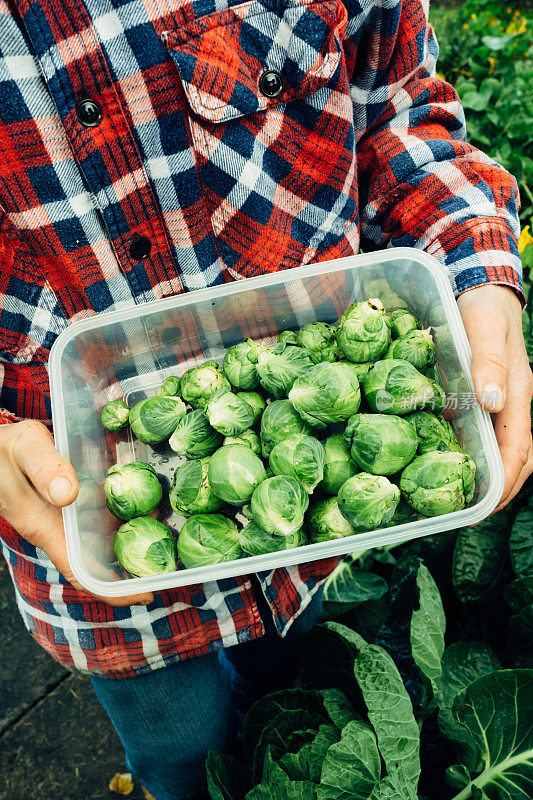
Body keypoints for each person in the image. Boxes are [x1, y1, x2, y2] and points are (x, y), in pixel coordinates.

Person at [0, 0, 531, 797]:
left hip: (315, 545)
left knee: (289, 689)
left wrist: (475, 271)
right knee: (179, 754)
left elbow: (401, 103)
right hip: (93, 570)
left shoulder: (326, 462)